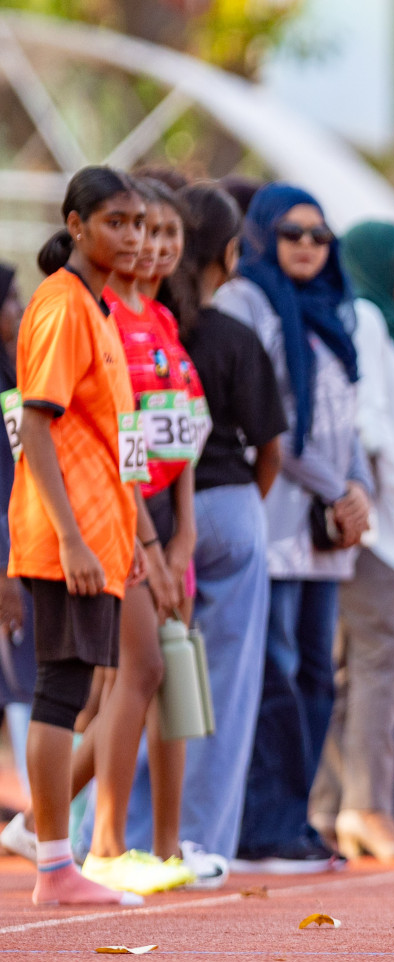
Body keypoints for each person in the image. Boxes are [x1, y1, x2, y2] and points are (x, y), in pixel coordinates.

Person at [122, 183, 288, 865]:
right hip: (219, 510)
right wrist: (245, 502)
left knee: (134, 682)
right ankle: (198, 843)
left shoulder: (135, 322)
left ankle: (116, 837)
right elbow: (272, 445)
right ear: (229, 252)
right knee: (216, 690)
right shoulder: (229, 335)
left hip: (148, 513)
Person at [216, 184, 372, 873]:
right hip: (276, 519)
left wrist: (358, 490)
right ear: (261, 237)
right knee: (274, 674)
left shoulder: (339, 312)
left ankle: (296, 819)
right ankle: (260, 827)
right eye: (291, 234)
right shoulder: (246, 302)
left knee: (316, 677)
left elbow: (348, 418)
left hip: (325, 534)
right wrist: (341, 490)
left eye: (318, 235)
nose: (307, 246)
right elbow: (272, 419)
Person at [11, 166, 146, 905]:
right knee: (60, 691)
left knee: (72, 688)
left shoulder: (96, 309)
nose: (130, 236)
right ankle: (55, 866)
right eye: (115, 222)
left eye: (136, 223)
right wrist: (69, 537)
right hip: (69, 535)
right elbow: (36, 423)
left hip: (99, 532)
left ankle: (56, 858)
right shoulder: (64, 306)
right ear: (76, 224)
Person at [86, 177, 206, 894]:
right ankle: (101, 841)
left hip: (165, 518)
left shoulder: (163, 322)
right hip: (118, 517)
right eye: (136, 229)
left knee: (170, 675)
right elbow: (117, 440)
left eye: (164, 234)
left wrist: (184, 530)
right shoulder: (98, 317)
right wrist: (147, 545)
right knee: (133, 675)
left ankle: (165, 848)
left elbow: (181, 437)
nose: (149, 246)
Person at [309, 221, 394, 862]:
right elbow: (371, 425)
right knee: (385, 657)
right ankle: (365, 806)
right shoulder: (363, 316)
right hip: (376, 526)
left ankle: (334, 808)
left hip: (377, 526)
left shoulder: (379, 325)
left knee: (356, 666)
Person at [0, 262, 39, 858]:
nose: (18, 311)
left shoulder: (14, 378)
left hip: (20, 547)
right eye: (10, 302)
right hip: (8, 557)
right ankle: (38, 815)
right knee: (22, 681)